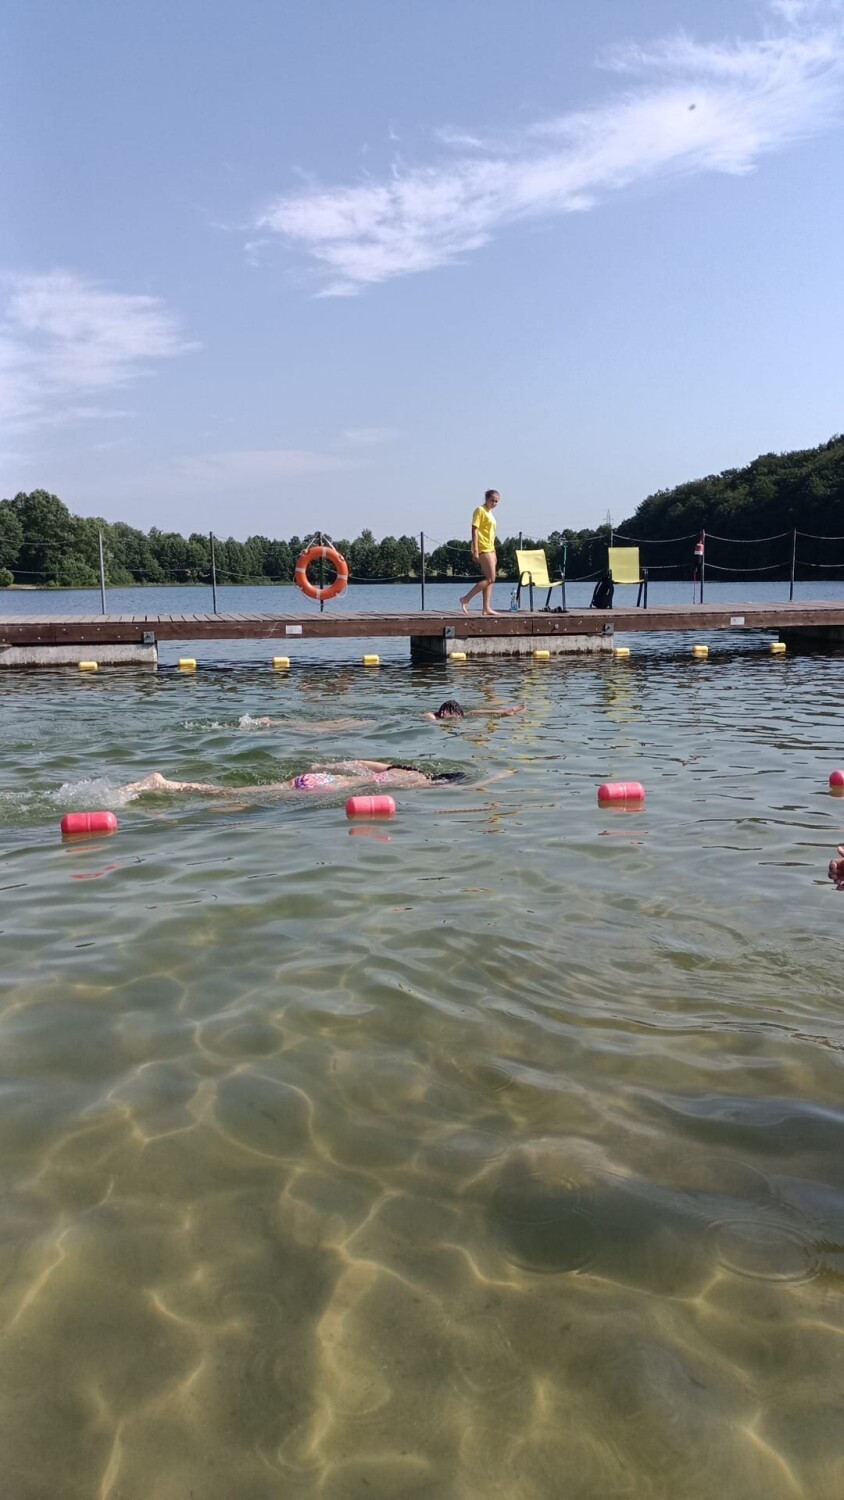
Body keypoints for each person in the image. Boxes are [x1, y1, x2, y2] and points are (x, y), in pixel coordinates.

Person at [118, 759, 494, 801]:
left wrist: (331, 762)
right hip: (324, 789)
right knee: (233, 796)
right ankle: (164, 785)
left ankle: (170, 786)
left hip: (320, 778)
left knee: (240, 794)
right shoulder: (419, 784)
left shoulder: (400, 769)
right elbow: (472, 787)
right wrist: (497, 778)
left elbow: (360, 762)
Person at [460, 490, 500, 616]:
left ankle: (486, 608)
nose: (494, 503)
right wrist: (476, 550)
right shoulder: (480, 510)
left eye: (496, 501)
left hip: (490, 548)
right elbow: (474, 529)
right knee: (490, 578)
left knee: (491, 580)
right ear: (486, 498)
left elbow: (491, 534)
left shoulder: (491, 514)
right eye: (492, 500)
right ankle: (465, 599)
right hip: (482, 547)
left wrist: (494, 551)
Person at [422, 699, 525, 721]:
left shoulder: (459, 715)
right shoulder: (431, 716)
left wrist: (504, 712)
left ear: (457, 713)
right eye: (443, 710)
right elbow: (437, 724)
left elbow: (479, 712)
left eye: (448, 711)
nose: (443, 713)